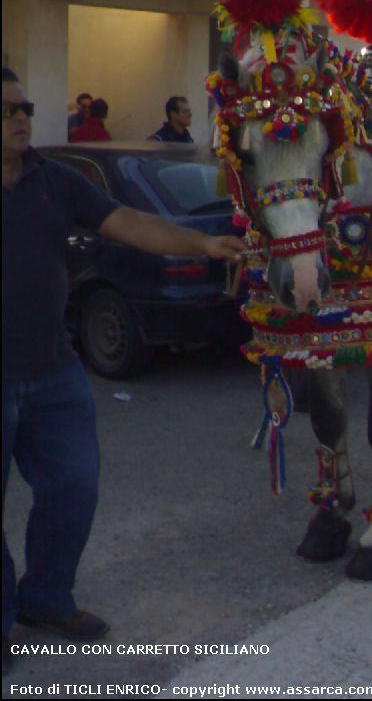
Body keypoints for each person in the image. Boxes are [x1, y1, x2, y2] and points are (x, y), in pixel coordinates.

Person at [2, 68, 243, 657]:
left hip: (54, 373)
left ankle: (47, 599)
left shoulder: (55, 181)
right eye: (7, 109)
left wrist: (204, 244)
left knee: (75, 487)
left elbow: (128, 223)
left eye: (24, 106)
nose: (21, 116)